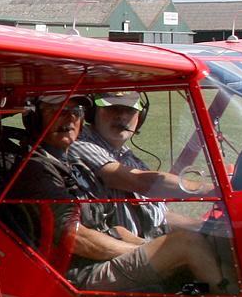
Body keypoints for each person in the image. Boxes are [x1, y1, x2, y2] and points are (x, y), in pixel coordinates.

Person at [4, 94, 225, 294]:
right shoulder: (37, 170)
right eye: (59, 112)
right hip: (74, 277)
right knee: (186, 244)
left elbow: (112, 225)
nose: (69, 120)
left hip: (99, 257)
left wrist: (149, 247)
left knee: (205, 241)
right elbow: (75, 238)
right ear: (33, 119)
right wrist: (147, 251)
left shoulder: (72, 162)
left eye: (76, 112)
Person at [67, 91, 191, 238]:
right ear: (92, 113)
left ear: (140, 116)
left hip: (144, 245)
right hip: (119, 250)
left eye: (130, 110)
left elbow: (160, 217)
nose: (122, 116)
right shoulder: (79, 144)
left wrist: (204, 226)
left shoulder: (127, 156)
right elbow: (139, 182)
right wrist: (207, 189)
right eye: (113, 108)